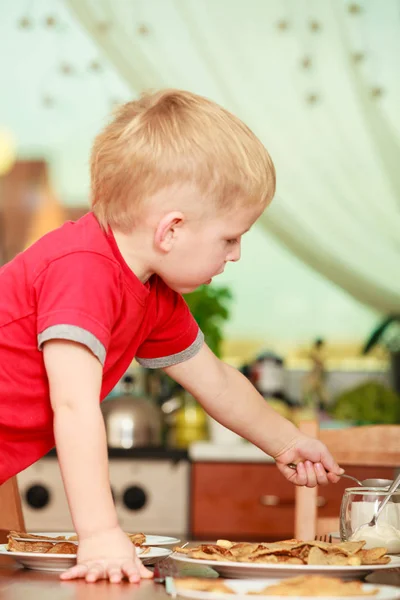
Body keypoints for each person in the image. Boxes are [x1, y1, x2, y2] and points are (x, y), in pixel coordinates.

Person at [0, 89, 343, 584]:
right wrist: (98, 532)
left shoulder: (153, 295)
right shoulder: (83, 271)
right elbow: (73, 407)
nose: (236, 254)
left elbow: (218, 383)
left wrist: (287, 441)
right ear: (171, 230)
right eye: (230, 237)